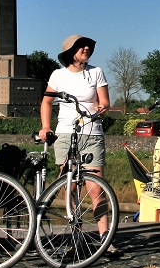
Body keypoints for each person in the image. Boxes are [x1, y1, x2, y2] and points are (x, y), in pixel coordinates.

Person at [38, 34, 119, 256]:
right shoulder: (58, 75)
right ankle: (77, 236)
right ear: (69, 51)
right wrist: (46, 126)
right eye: (80, 46)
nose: (85, 49)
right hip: (65, 133)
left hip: (91, 133)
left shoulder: (95, 72)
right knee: (70, 187)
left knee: (95, 188)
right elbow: (46, 101)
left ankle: (105, 237)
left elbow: (105, 102)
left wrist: (102, 108)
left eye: (88, 46)